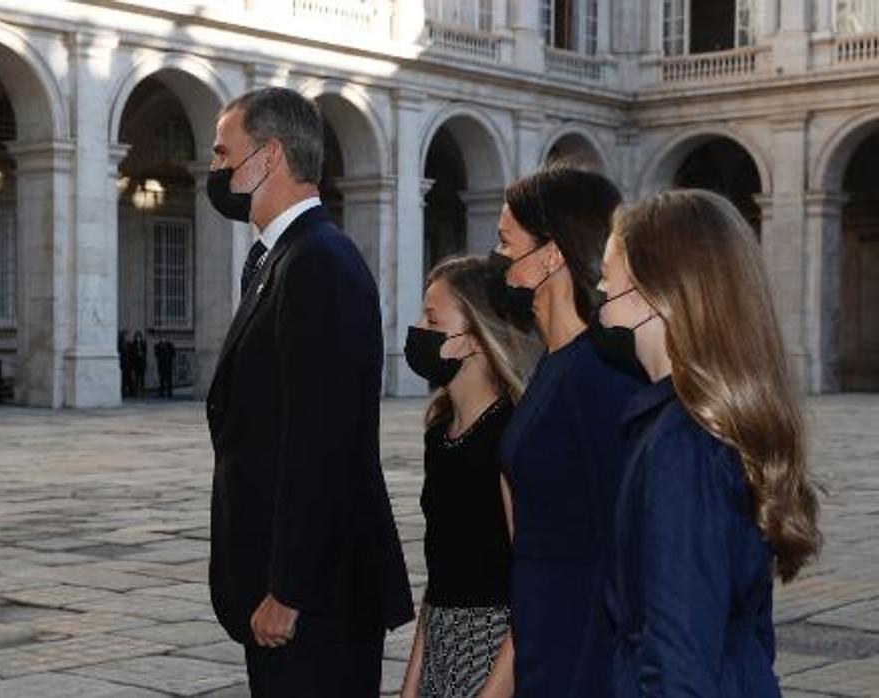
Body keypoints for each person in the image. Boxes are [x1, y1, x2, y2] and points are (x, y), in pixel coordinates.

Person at [205, 86, 413, 696]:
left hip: (312, 600)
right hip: (288, 588)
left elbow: (324, 444)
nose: (214, 168)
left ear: (268, 157)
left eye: (223, 153)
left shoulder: (319, 262)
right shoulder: (283, 258)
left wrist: (288, 590)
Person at [597, 189, 821, 695]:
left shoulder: (683, 444)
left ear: (658, 289)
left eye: (608, 276)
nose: (598, 290)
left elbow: (679, 662)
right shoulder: (702, 425)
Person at [488, 166, 643, 697]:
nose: (498, 258)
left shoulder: (601, 373)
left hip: (582, 645)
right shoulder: (552, 364)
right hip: (542, 629)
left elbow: (620, 549)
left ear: (551, 254)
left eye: (506, 241)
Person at [399, 256, 539, 698]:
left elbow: (532, 582)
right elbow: (443, 574)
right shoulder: (439, 433)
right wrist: (412, 682)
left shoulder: (511, 435)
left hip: (494, 649)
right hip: (442, 640)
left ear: (474, 339)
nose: (418, 326)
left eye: (432, 318)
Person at [155, 334, 176, 399]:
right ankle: (162, 392)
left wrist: (168, 353)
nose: (163, 339)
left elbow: (173, 353)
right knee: (161, 379)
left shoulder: (170, 345)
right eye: (162, 338)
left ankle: (170, 392)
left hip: (168, 364)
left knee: (169, 379)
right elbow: (156, 354)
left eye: (164, 338)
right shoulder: (158, 346)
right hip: (161, 364)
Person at [132, 331, 148, 398]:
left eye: (139, 337)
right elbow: (132, 353)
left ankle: (142, 392)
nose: (138, 339)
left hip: (142, 363)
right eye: (137, 337)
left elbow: (145, 353)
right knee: (136, 379)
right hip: (136, 363)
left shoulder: (143, 344)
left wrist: (142, 354)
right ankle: (136, 393)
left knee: (142, 379)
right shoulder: (133, 344)